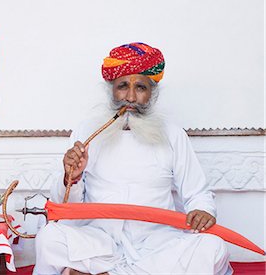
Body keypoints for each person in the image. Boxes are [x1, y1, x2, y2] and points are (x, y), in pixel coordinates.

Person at [34, 42, 232, 275]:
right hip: (100, 241)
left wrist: (202, 210)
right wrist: (71, 177)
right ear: (111, 90)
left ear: (152, 94)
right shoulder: (86, 132)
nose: (130, 97)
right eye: (122, 86)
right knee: (49, 237)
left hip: (157, 244)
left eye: (140, 87)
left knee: (213, 247)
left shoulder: (173, 135)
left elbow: (197, 193)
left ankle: (98, 272)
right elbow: (65, 207)